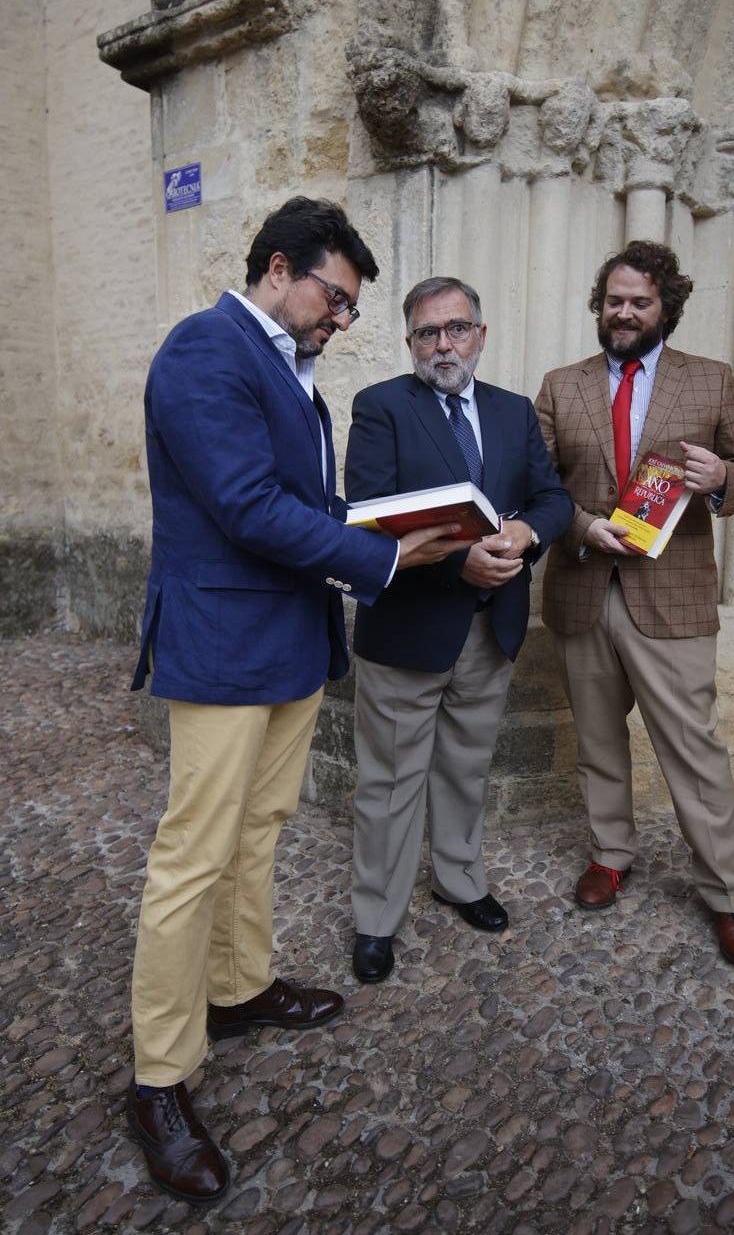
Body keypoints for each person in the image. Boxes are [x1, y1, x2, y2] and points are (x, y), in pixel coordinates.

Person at [126, 198, 468, 1206]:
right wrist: (380, 555)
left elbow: (301, 504)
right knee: (193, 853)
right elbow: (242, 504)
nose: (342, 319)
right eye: (337, 297)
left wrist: (398, 526)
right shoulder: (205, 350)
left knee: (263, 828)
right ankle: (157, 1080)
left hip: (285, 639)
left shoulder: (283, 366)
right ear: (280, 267)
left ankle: (235, 991)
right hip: (225, 641)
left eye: (353, 308)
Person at [535, 240, 734, 969]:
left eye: (640, 301)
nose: (625, 312)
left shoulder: (710, 381)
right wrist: (579, 526)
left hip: (671, 597)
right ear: (599, 306)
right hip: (583, 587)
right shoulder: (561, 384)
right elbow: (537, 485)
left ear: (666, 306)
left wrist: (720, 476)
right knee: (599, 742)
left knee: (694, 752)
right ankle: (611, 853)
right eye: (614, 300)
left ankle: (729, 895)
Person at [345, 276, 573, 983]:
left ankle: (460, 879)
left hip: (492, 628)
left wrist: (528, 534)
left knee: (466, 769)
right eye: (426, 332)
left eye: (456, 328)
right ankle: (376, 920)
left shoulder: (511, 412)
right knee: (388, 782)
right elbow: (371, 513)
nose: (443, 344)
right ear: (410, 341)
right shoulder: (381, 407)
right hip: (411, 629)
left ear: (480, 334)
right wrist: (458, 566)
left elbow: (553, 498)